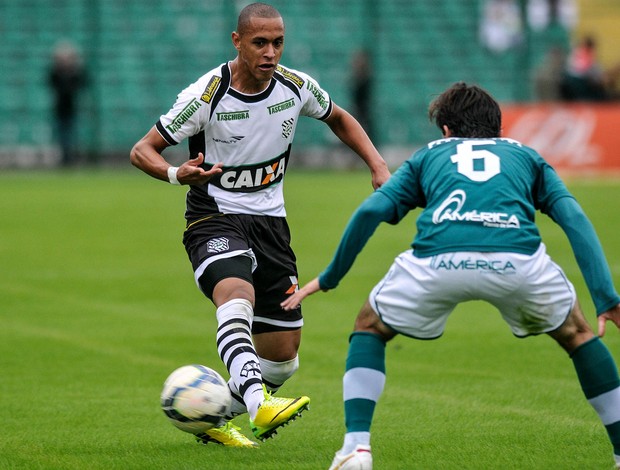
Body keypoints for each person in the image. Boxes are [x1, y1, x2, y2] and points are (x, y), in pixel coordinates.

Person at [282, 82, 620, 469]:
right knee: (578, 335)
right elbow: (574, 218)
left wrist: (330, 276)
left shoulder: (429, 155)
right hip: (517, 261)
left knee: (369, 325)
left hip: (437, 262)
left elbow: (369, 212)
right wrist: (606, 298)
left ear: (445, 130)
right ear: (498, 129)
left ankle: (357, 449)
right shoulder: (527, 156)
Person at [130, 2, 390, 448]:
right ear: (237, 42)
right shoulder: (207, 94)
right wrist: (177, 173)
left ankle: (213, 414)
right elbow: (142, 150)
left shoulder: (294, 87)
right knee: (236, 293)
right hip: (214, 217)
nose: (271, 52)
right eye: (260, 43)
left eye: (278, 42)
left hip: (271, 225)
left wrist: (377, 165)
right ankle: (258, 405)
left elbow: (340, 118)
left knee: (283, 359)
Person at [48, 41, 88, 167]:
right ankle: (65, 158)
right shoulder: (56, 73)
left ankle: (70, 157)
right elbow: (52, 82)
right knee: (62, 135)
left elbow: (84, 82)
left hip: (71, 108)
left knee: (70, 135)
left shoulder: (74, 73)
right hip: (60, 109)